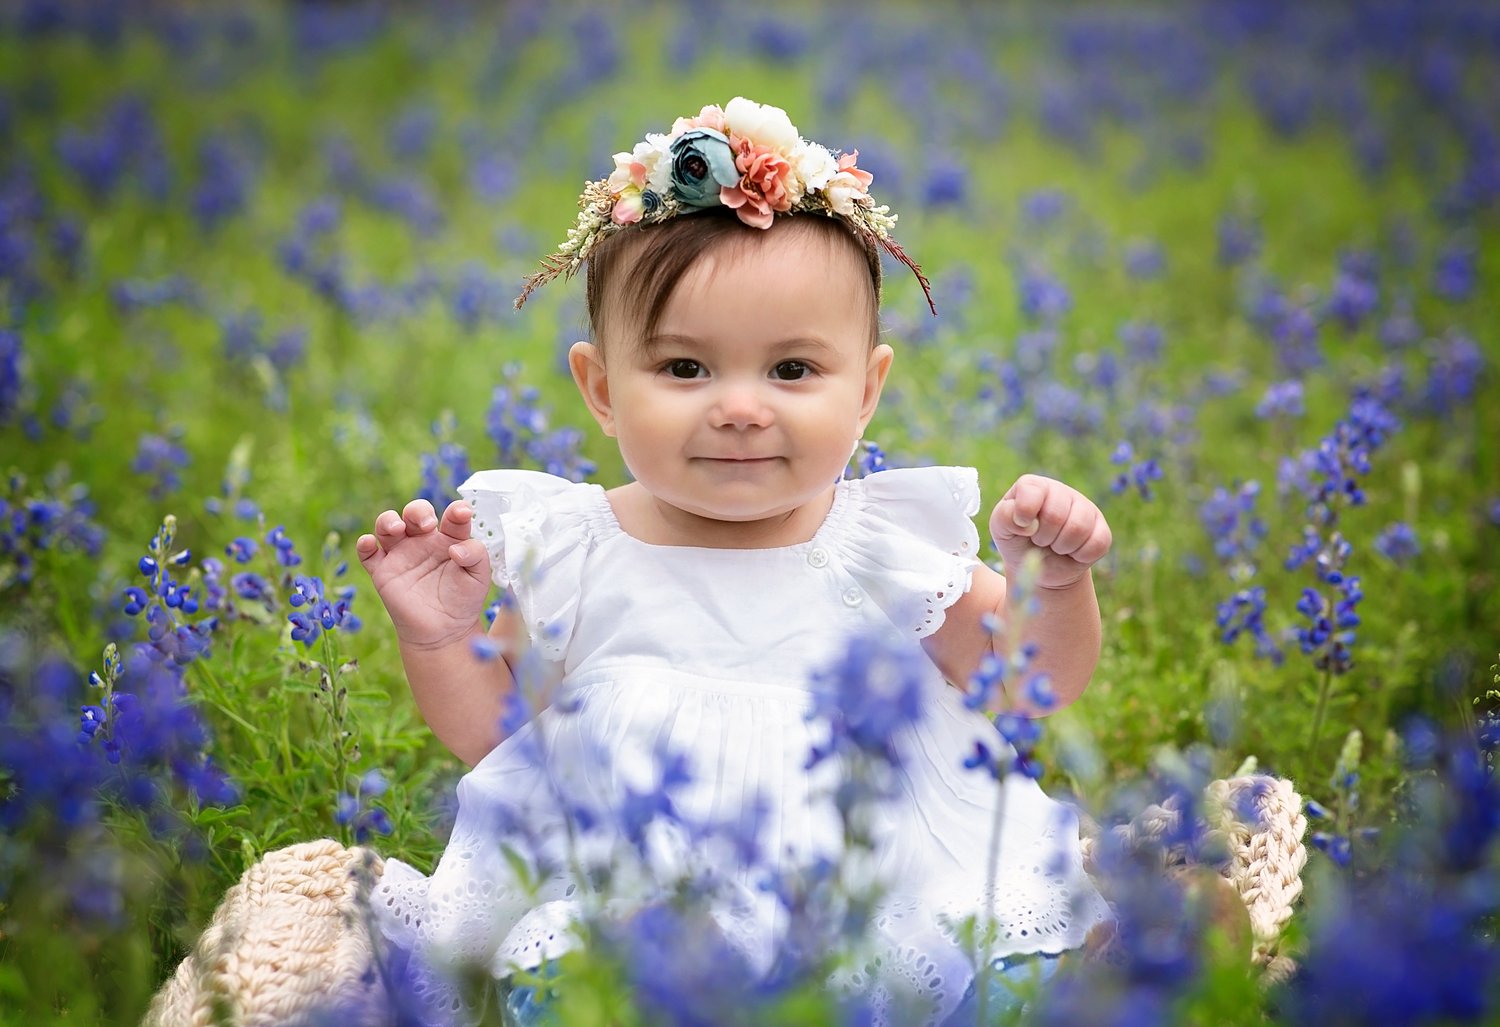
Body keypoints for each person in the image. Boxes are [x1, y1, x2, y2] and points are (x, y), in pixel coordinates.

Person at [355, 97, 1114, 1027]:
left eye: (793, 371)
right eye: (685, 369)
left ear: (867, 389)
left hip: (876, 889)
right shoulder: (576, 549)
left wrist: (1056, 583)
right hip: (635, 902)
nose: (742, 408)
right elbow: (501, 739)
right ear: (600, 388)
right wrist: (439, 638)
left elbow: (1032, 682)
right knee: (567, 989)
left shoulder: (881, 543)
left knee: (992, 972)